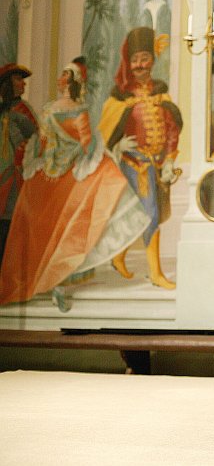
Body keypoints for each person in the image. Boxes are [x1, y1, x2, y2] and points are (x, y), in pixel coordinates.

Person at [0, 58, 149, 308]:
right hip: (48, 173)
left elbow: (69, 142)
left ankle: (55, 280)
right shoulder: (51, 110)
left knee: (62, 228)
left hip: (55, 172)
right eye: (17, 80)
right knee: (43, 229)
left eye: (63, 75)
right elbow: (49, 140)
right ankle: (44, 280)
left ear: (69, 81)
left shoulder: (48, 110)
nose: (59, 79)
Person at [99, 26, 182, 290]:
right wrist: (118, 145)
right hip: (133, 163)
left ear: (152, 61)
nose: (139, 64)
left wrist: (169, 160)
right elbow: (108, 131)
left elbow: (171, 129)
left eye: (144, 58)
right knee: (150, 214)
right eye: (134, 60)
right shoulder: (120, 97)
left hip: (157, 165)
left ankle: (118, 257)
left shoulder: (160, 93)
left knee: (141, 215)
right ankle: (155, 273)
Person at [0, 63, 39, 265]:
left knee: (10, 223)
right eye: (18, 79)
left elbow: (37, 139)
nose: (23, 83)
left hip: (15, 177)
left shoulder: (22, 110)